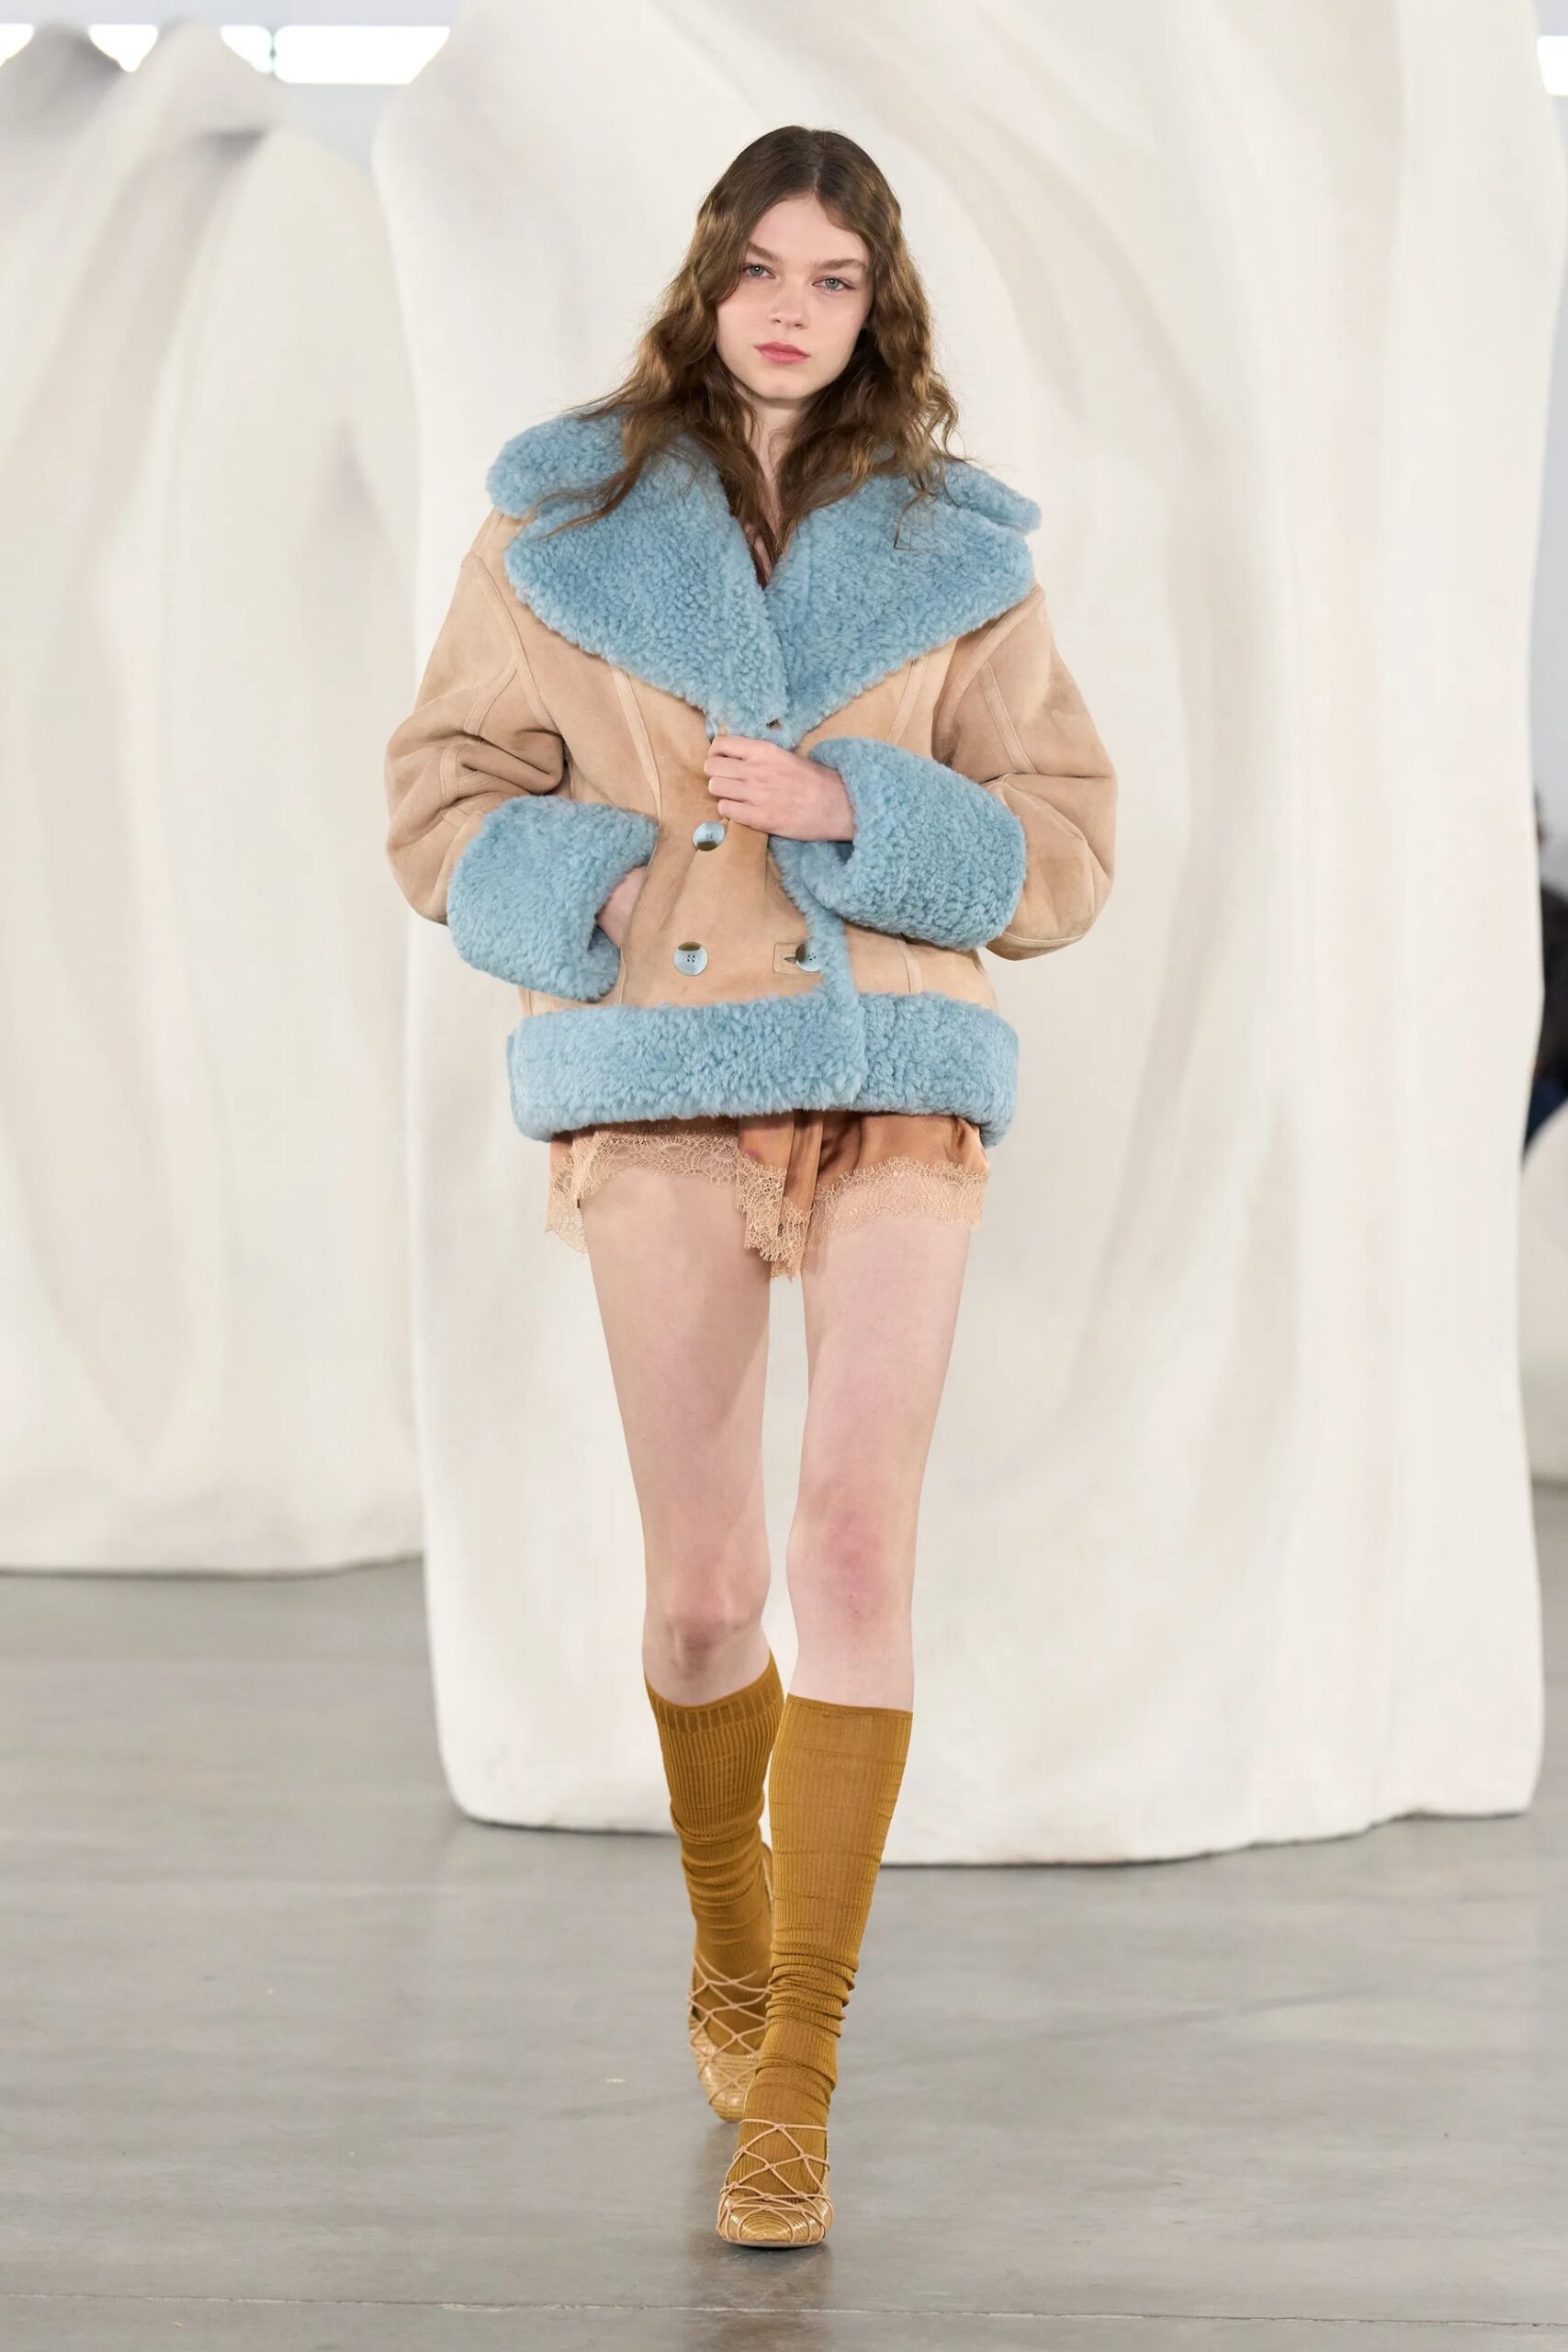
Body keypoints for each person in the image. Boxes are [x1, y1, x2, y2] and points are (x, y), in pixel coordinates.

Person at [383, 124, 1117, 2249]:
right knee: (705, 1591)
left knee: (852, 1545)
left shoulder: (962, 551)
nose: (791, 311)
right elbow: (436, 799)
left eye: (833, 278)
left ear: (878, 306)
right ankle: (726, 1941)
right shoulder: (557, 530)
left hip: (892, 1077)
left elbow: (1062, 843)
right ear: (706, 280)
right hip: (662, 1081)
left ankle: (796, 2072)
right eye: (761, 270)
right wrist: (609, 883)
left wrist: (855, 806)